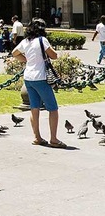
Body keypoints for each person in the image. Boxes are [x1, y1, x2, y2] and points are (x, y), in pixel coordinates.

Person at [12, 18, 65, 148]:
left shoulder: (25, 41)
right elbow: (54, 55)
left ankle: (37, 137)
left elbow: (14, 53)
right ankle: (53, 139)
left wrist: (26, 60)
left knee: (34, 108)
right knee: (53, 108)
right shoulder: (42, 40)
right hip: (41, 78)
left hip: (28, 78)